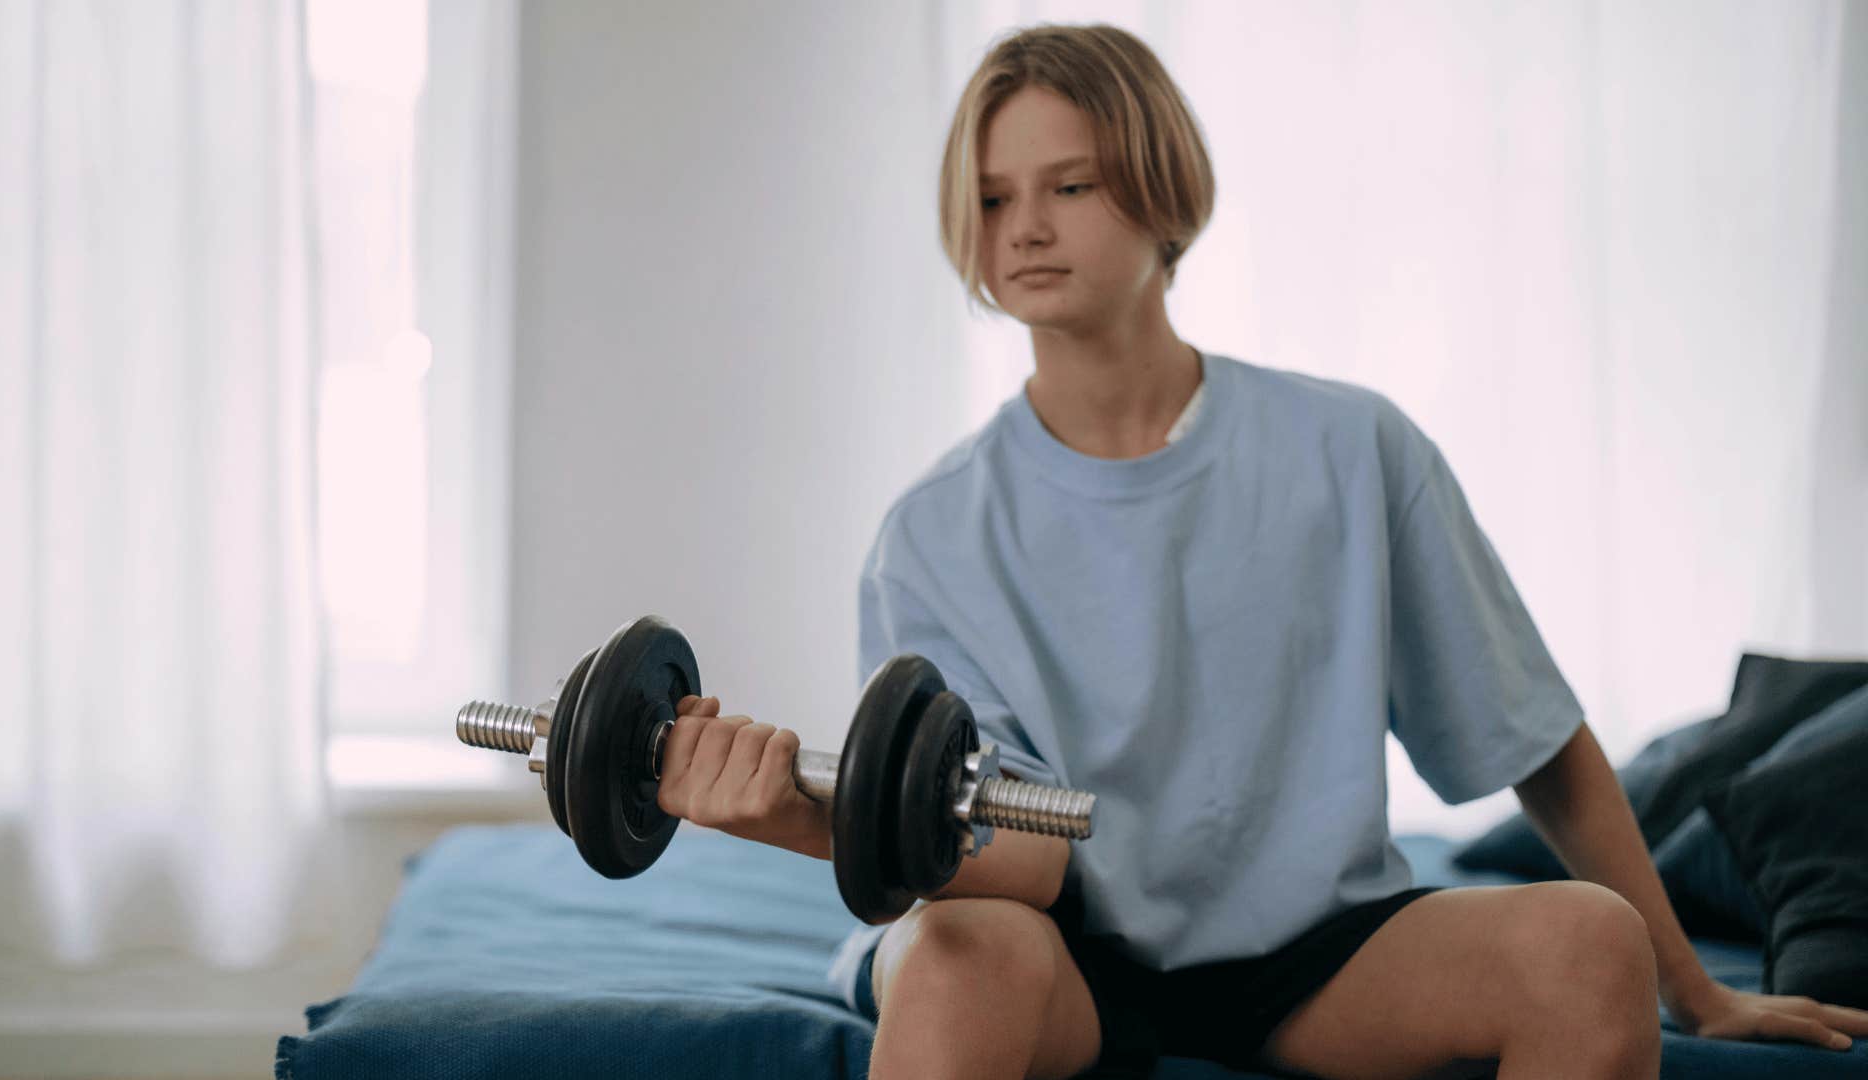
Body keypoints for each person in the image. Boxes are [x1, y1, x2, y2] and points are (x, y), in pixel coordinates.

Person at [652, 22, 1868, 1080]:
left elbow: (1534, 738)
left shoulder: (1352, 449)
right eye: (989, 199)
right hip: (1057, 949)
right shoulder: (936, 531)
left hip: (1318, 961)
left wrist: (1691, 989)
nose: (1021, 228)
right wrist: (820, 824)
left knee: (1584, 944)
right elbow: (1007, 848)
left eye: (1067, 187)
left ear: (1162, 190)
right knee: (960, 956)